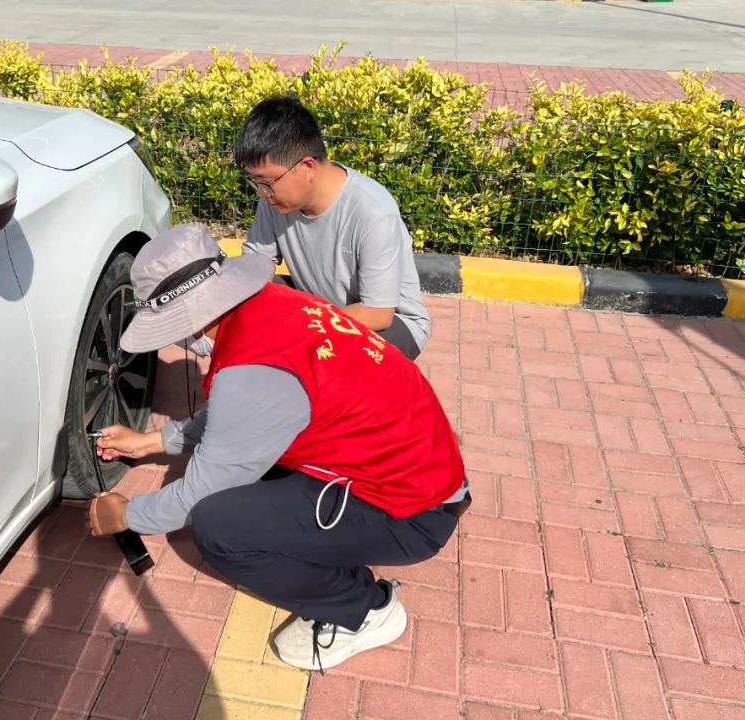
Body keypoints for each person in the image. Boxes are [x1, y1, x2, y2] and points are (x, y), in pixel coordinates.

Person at [87, 223, 469, 672]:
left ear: (189, 318)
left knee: (218, 526)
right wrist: (153, 441)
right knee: (245, 481)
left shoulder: (249, 374)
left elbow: (198, 491)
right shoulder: (276, 305)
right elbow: (244, 417)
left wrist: (126, 515)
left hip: (411, 514)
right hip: (419, 472)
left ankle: (365, 610)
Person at [234, 95, 431, 360]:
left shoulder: (373, 213)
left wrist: (299, 326)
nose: (262, 192)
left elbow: (378, 313)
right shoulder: (274, 199)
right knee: (253, 301)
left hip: (391, 324)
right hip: (322, 307)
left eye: (267, 182)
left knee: (318, 363)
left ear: (308, 167)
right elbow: (256, 262)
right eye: (256, 182)